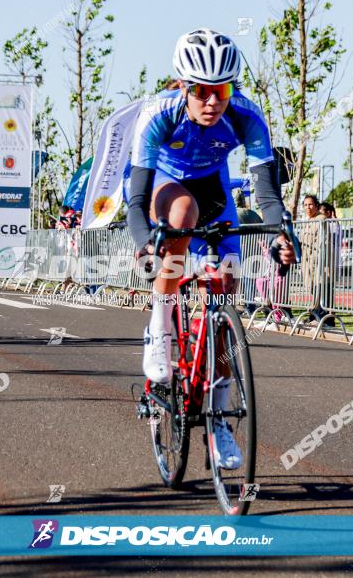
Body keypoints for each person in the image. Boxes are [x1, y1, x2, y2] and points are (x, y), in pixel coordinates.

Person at [126, 28, 296, 470]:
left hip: (214, 187)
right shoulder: (158, 114)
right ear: (183, 85)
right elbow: (137, 200)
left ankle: (218, 418)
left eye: (221, 90)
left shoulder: (246, 116)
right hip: (166, 182)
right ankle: (160, 330)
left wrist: (281, 232)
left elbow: (266, 191)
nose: (211, 101)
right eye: (201, 90)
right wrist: (146, 241)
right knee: (181, 213)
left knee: (224, 284)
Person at [300, 195, 325, 320]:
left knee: (319, 290)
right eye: (305, 205)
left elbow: (323, 243)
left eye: (310, 204)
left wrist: (315, 259)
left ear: (316, 205)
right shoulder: (308, 220)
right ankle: (315, 315)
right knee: (312, 290)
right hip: (307, 262)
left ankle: (321, 317)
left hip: (317, 262)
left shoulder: (321, 220)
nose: (308, 207)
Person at [319, 202, 340, 315]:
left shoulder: (333, 223)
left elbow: (330, 241)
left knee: (327, 288)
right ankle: (322, 313)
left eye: (321, 212)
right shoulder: (326, 223)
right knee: (323, 288)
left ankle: (328, 314)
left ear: (328, 212)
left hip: (331, 261)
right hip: (324, 261)